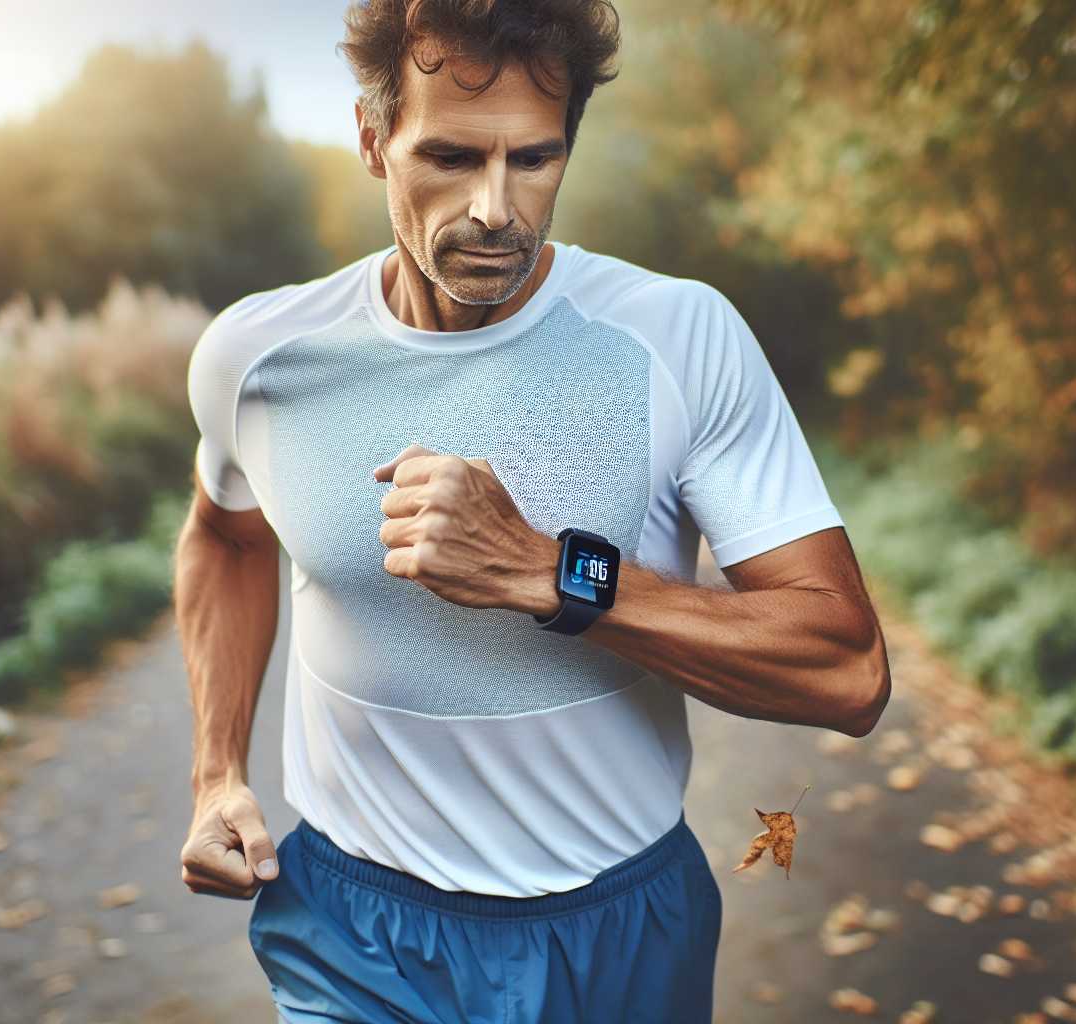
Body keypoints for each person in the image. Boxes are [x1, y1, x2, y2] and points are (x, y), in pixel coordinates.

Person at [173, 2, 891, 1021]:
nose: (496, 208)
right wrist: (215, 776)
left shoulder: (678, 339)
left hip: (616, 926)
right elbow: (225, 534)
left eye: (533, 160)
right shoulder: (260, 356)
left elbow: (848, 669)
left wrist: (556, 573)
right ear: (374, 140)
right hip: (354, 929)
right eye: (453, 157)